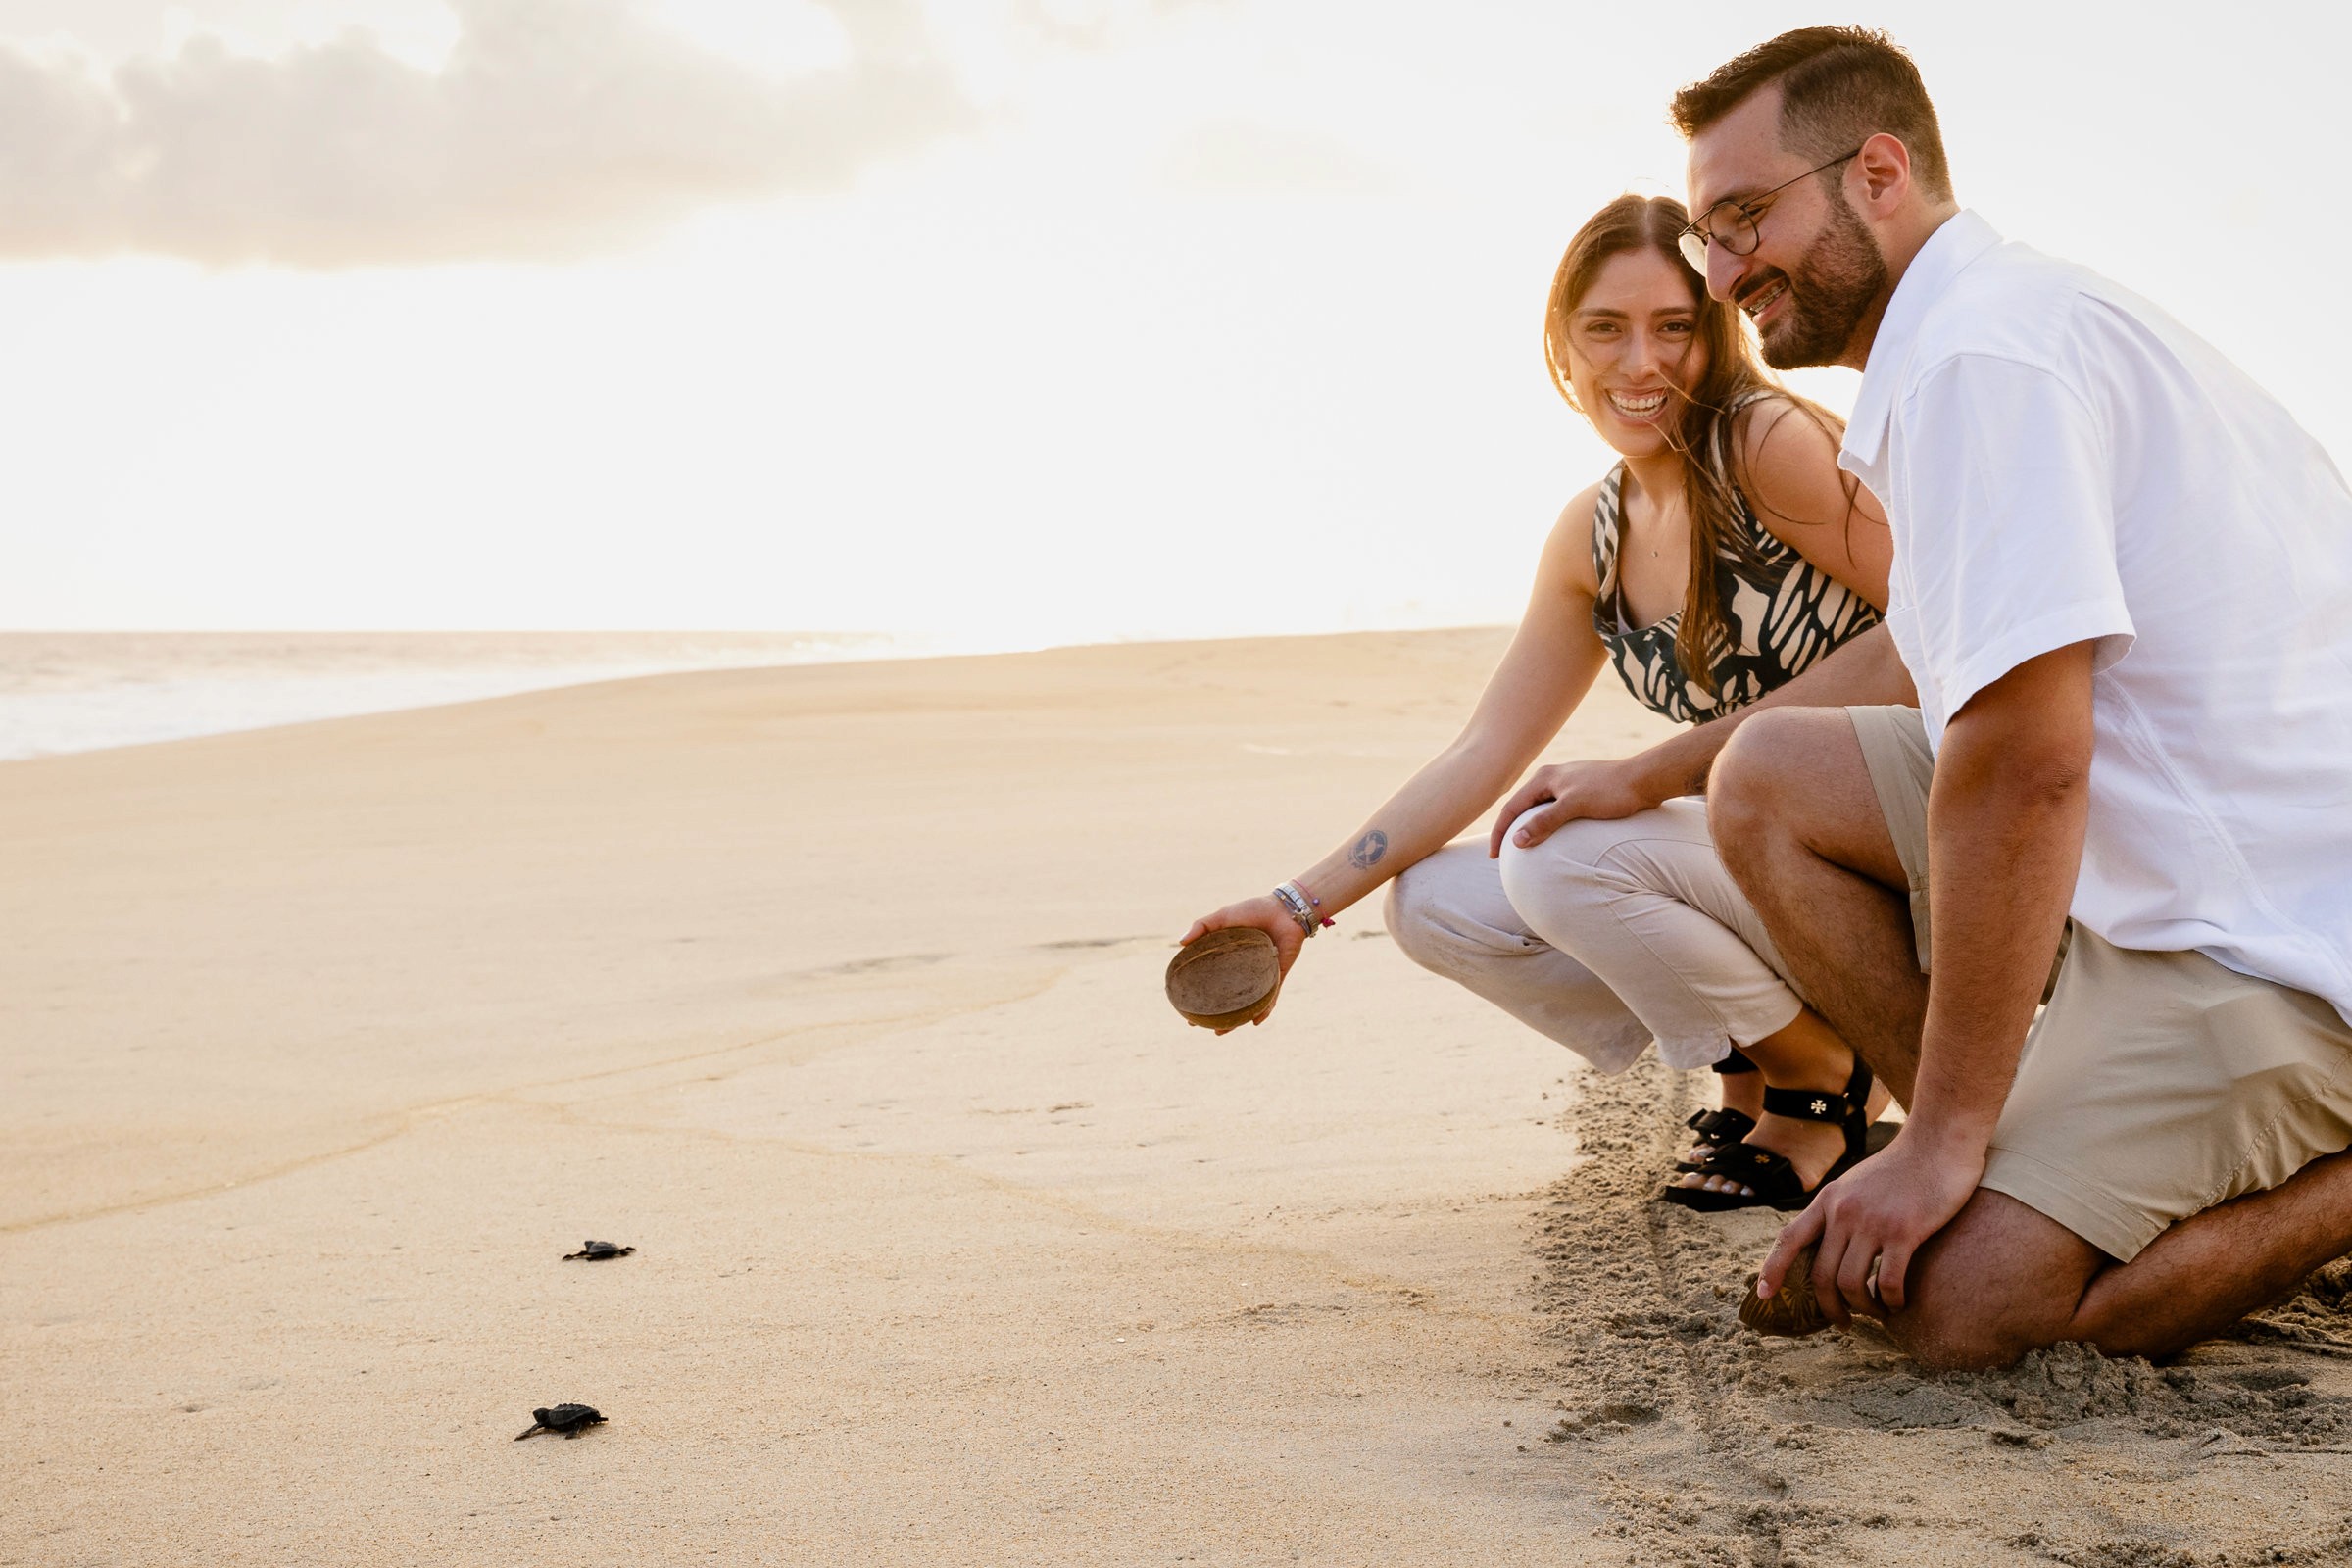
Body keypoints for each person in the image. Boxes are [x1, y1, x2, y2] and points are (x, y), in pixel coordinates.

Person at [1669, 26, 2352, 1366]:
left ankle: (1985, 1169)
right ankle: (1991, 1153)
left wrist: (1935, 1145)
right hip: (2157, 844)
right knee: (1767, 779)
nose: (1726, 270)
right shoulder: (1986, 332)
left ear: (1880, 172)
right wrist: (1657, 771)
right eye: (1707, 235)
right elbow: (1938, 666)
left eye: (1746, 218)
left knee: (1960, 1315)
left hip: (2271, 933)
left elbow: (2028, 761)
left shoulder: (1988, 361)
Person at [1179, 191, 1908, 1209]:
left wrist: (1647, 773)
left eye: (1673, 326)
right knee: (1436, 904)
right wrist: (1299, 906)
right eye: (1604, 328)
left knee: (1559, 852)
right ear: (1561, 347)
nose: (1639, 362)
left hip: (1892, 865)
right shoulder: (1594, 531)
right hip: (1763, 856)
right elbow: (1486, 747)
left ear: (1719, 332)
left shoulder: (1766, 441)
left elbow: (1933, 631)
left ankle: (1821, 1083)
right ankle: (1768, 1047)